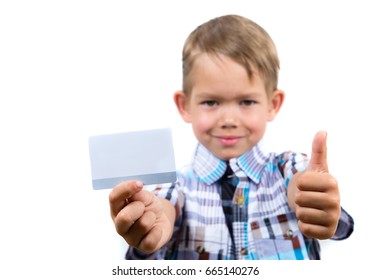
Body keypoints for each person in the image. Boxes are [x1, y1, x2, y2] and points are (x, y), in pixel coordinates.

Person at [109, 14, 354, 260]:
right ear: (185, 106)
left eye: (246, 101)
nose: (228, 120)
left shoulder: (288, 169)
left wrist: (312, 201)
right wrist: (149, 225)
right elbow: (163, 207)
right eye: (211, 102)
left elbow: (302, 189)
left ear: (273, 104)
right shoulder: (176, 188)